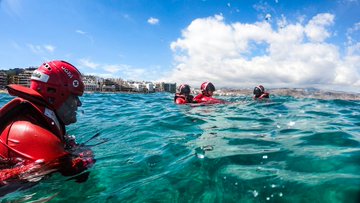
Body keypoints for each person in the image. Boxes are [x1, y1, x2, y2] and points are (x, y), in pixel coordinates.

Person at [0, 60, 94, 186]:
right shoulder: (35, 135)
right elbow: (77, 176)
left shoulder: (31, 121)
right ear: (56, 95)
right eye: (75, 97)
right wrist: (84, 158)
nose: (79, 104)